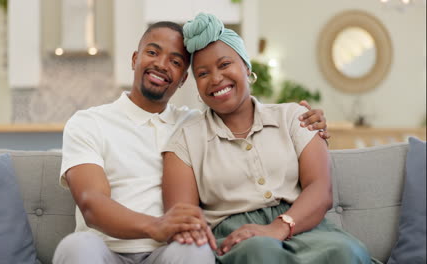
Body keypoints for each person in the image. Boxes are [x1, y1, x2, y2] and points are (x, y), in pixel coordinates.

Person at [53, 20, 329, 264]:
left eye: (175, 62)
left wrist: (304, 119)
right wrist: (156, 226)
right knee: (76, 246)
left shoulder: (193, 125)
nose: (161, 64)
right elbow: (91, 203)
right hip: (104, 250)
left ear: (185, 79)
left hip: (171, 252)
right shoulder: (89, 122)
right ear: (135, 58)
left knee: (195, 250)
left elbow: (241, 115)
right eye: (152, 52)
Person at [162, 13, 380, 264]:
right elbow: (183, 219)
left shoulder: (296, 118)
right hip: (236, 242)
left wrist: (277, 228)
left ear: (246, 67)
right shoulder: (185, 141)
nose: (216, 78)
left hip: (305, 228)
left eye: (224, 65)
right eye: (203, 73)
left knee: (346, 252)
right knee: (261, 252)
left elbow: (320, 190)